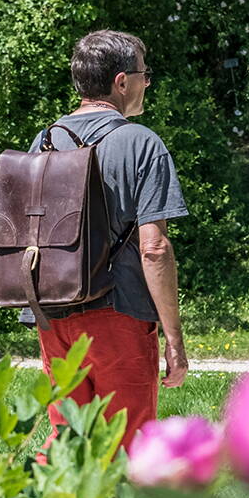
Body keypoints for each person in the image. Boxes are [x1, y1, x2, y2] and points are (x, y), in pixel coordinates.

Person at [31, 29, 189, 451]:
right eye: (144, 74)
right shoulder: (141, 143)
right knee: (130, 444)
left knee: (68, 441)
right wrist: (174, 338)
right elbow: (154, 248)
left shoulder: (45, 141)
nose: (147, 83)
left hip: (54, 313)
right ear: (122, 82)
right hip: (118, 314)